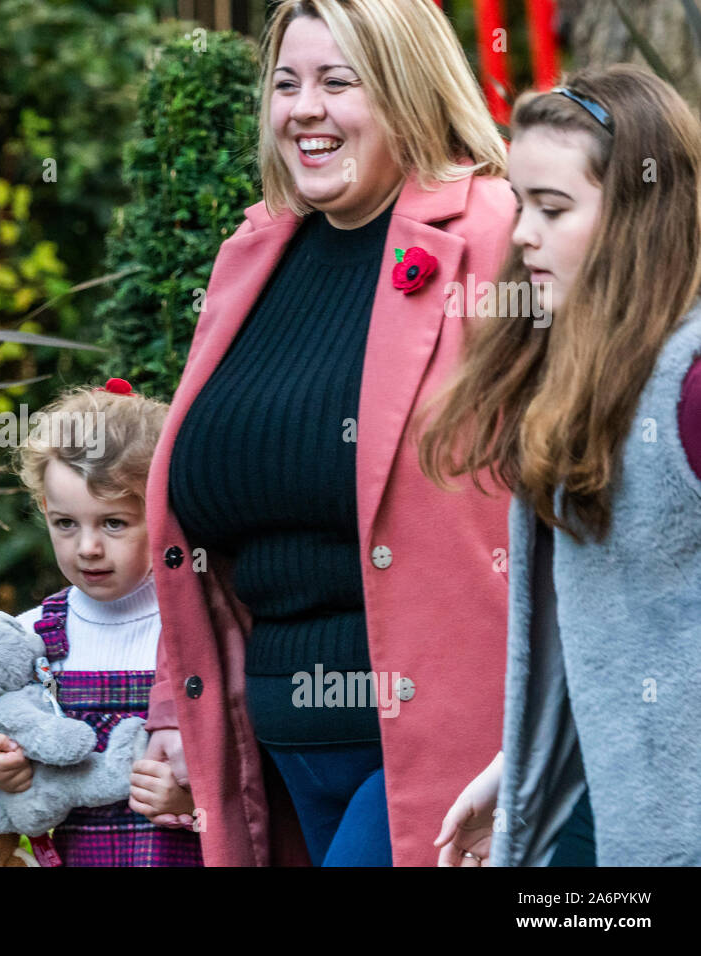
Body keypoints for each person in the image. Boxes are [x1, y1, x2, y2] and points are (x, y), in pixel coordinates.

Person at [134, 0, 517, 866]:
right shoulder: (254, 252)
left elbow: (579, 482)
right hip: (275, 745)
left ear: (408, 90)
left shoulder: (498, 232)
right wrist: (172, 708)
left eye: (337, 82)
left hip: (447, 739)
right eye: (286, 84)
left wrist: (543, 737)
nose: (304, 109)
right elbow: (202, 527)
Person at [425, 64, 701, 867]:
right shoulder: (581, 378)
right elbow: (623, 639)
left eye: (551, 208)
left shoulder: (691, 384)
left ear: (638, 218)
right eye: (519, 204)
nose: (520, 234)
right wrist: (523, 773)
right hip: (606, 826)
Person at [0, 380, 202, 866]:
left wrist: (193, 805)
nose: (87, 547)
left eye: (114, 523)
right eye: (66, 523)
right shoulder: (29, 637)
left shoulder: (193, 630)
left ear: (163, 513)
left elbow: (249, 769)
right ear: (44, 511)